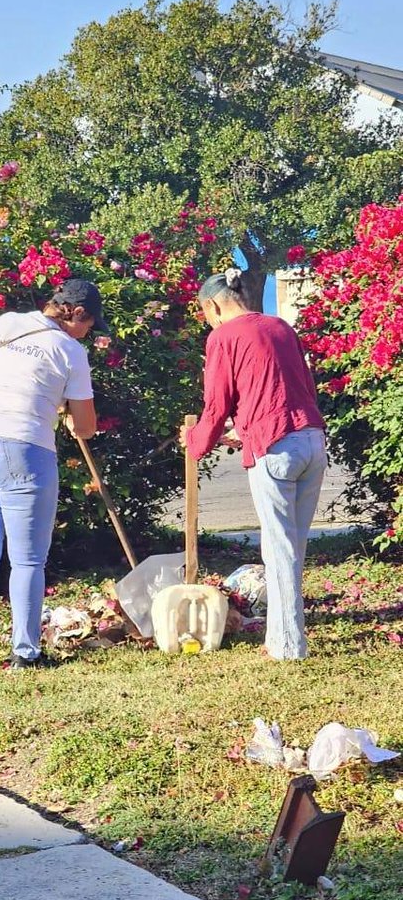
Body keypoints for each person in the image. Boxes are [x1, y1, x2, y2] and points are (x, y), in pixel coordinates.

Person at [0, 277, 102, 668]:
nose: (88, 334)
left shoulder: (7, 323)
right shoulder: (70, 350)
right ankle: (26, 652)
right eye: (90, 325)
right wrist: (68, 414)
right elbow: (86, 427)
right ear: (78, 315)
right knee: (27, 560)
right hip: (24, 445)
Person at [179, 269, 327, 660]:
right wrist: (243, 431)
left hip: (275, 449)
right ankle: (281, 637)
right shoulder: (281, 327)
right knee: (292, 546)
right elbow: (292, 391)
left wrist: (195, 443)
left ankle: (289, 646)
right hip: (311, 440)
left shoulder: (222, 336)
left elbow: (216, 405)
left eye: (205, 313)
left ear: (213, 305)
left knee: (278, 550)